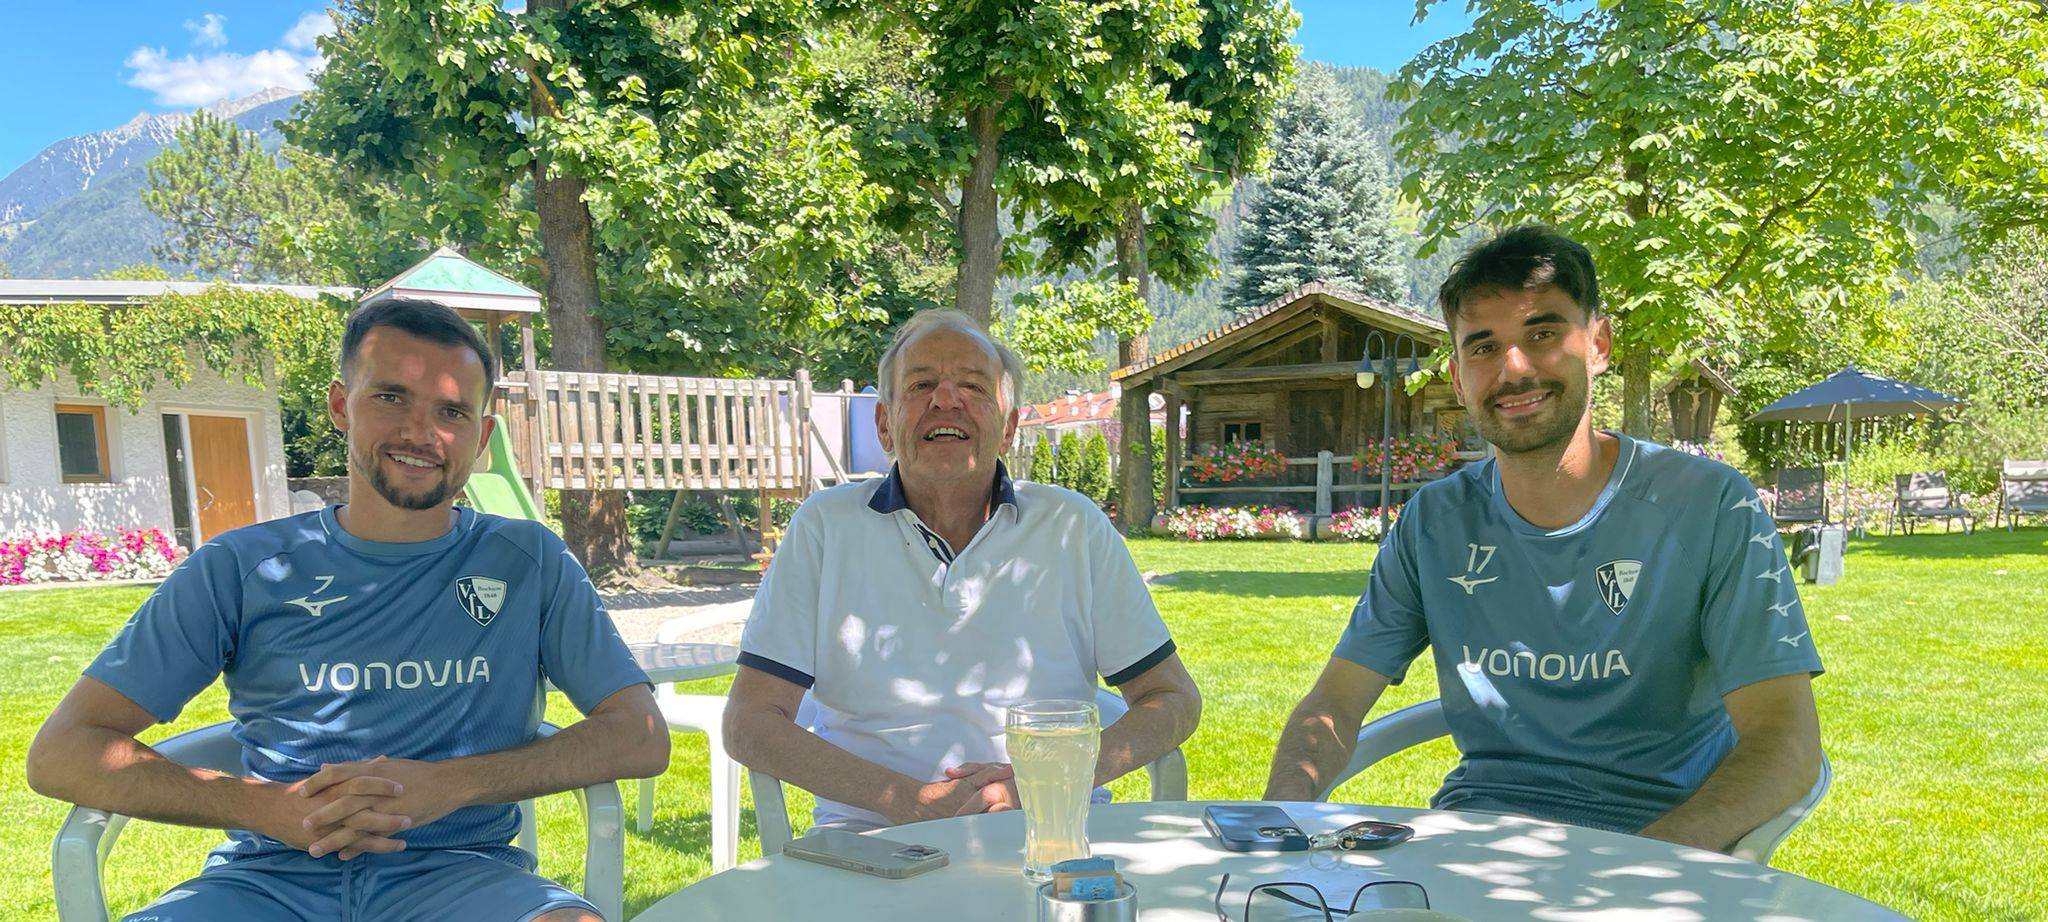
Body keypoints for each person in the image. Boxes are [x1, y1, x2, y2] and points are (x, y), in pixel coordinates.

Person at [27, 298, 669, 921]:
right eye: (392, 398)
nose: (422, 433)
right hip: (266, 880)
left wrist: (450, 786)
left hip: (465, 877)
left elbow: (639, 734)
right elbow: (63, 752)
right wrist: (267, 807)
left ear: (482, 438)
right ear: (341, 406)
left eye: (452, 411)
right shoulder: (240, 569)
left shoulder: (527, 563)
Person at [1264, 226, 1824, 852]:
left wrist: (1640, 871)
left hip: (1651, 848)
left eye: (1542, 334)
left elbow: (1787, 741)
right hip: (1474, 847)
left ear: (1599, 344)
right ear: (1457, 377)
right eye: (1483, 347)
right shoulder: (1434, 521)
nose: (1514, 368)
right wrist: (1274, 825)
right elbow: (1334, 704)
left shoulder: (1709, 505)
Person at [724, 310, 1201, 830]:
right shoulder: (827, 526)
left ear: (1009, 428)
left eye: (973, 386)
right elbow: (750, 721)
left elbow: (1172, 698)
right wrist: (909, 801)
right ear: (885, 424)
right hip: (871, 836)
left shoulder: (1072, 526)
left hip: (1052, 825)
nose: (945, 400)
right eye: (921, 383)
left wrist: (1053, 779)